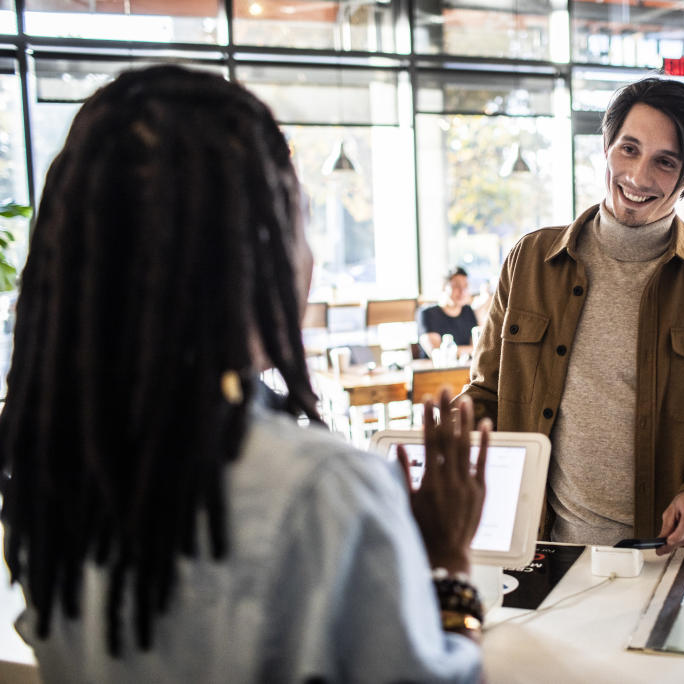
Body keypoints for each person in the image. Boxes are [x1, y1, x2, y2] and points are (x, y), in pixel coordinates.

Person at [0, 65, 490, 683]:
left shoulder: (52, 470)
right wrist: (447, 567)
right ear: (254, 250)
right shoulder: (322, 491)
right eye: (301, 219)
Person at [461, 77, 684, 553]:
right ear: (606, 149)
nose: (637, 175)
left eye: (665, 162)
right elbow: (488, 393)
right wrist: (444, 434)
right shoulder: (529, 260)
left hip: (667, 554)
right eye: (628, 149)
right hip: (543, 550)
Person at [417, 266, 479, 360]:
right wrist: (470, 350)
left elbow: (478, 347)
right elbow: (436, 352)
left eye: (465, 286)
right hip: (435, 372)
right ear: (444, 287)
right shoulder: (427, 313)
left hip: (465, 370)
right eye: (456, 286)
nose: (462, 291)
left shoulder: (469, 311)